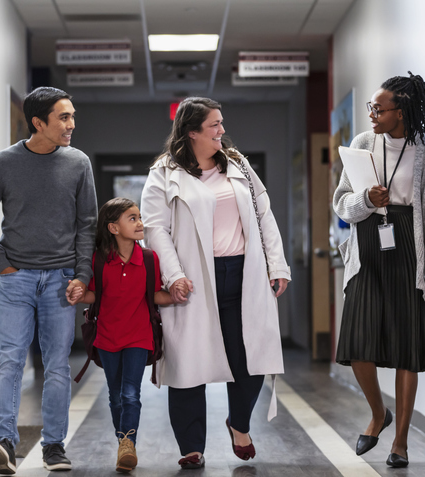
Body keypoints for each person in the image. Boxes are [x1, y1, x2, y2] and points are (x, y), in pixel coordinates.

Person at [140, 97, 291, 469]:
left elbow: (263, 214)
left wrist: (277, 264)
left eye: (222, 123)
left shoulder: (237, 164)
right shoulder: (164, 172)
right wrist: (173, 275)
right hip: (194, 280)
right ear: (192, 132)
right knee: (188, 362)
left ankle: (238, 423)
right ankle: (191, 446)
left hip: (244, 274)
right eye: (214, 125)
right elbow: (156, 230)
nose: (222, 130)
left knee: (252, 358)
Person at [332, 72, 425, 468]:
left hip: (408, 250)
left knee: (406, 349)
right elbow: (341, 204)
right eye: (371, 107)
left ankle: (400, 442)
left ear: (400, 112)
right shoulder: (363, 144)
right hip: (367, 247)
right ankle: (377, 413)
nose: (371, 115)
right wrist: (366, 199)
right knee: (357, 342)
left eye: (378, 109)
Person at [0, 86, 97, 474]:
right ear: (38, 122)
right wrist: (1, 264)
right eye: (64, 117)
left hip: (61, 280)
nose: (72, 124)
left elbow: (87, 225)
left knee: (57, 364)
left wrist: (81, 274)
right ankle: (5, 441)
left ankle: (54, 446)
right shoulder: (4, 163)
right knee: (10, 359)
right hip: (16, 280)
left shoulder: (78, 163)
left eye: (72, 115)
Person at [69, 197, 182, 473]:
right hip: (107, 337)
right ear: (113, 228)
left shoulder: (149, 258)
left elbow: (154, 295)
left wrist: (176, 295)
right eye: (132, 218)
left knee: (131, 393)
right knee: (115, 395)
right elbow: (96, 295)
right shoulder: (98, 260)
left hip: (138, 336)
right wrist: (81, 294)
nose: (140, 223)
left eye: (139, 217)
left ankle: (128, 443)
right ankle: (123, 441)